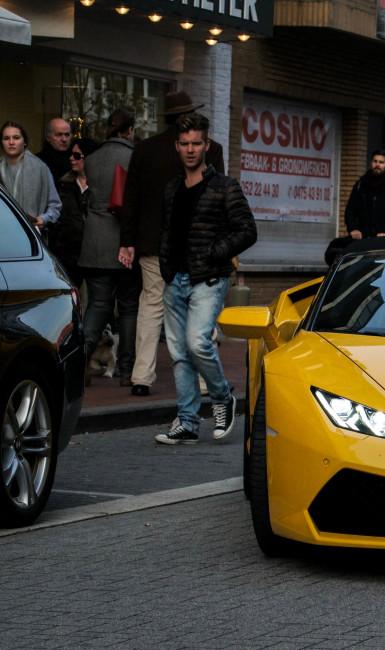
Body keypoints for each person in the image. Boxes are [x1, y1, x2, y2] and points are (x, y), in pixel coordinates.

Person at [153, 113, 258, 446]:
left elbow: (248, 231)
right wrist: (166, 266)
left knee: (197, 342)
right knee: (180, 353)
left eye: (196, 143)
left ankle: (222, 395)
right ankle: (186, 422)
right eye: (184, 144)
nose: (190, 149)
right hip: (175, 280)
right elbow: (168, 231)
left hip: (208, 279)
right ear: (176, 146)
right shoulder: (171, 188)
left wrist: (216, 252)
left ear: (206, 145)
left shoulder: (225, 186)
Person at [118, 90, 225, 397]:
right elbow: (217, 198)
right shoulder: (211, 148)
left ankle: (141, 377)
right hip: (197, 244)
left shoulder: (145, 150)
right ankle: (205, 381)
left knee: (151, 306)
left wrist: (128, 241)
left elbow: (131, 199)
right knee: (200, 308)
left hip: (153, 242)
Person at [79, 109, 140, 387]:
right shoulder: (135, 157)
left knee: (98, 304)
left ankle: (81, 358)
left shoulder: (91, 159)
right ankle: (127, 371)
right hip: (125, 241)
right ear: (130, 130)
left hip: (94, 242)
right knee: (128, 308)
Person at [0, 120, 60, 230]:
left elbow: (55, 205)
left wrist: (43, 219)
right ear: (1, 142)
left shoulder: (40, 168)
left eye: (16, 138)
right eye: (6, 138)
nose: (11, 142)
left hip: (33, 234)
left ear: (24, 141)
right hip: (1, 232)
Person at [52, 136, 97, 289]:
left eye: (77, 156)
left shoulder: (100, 185)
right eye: (71, 154)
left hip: (93, 254)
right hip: (68, 253)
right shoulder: (64, 183)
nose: (72, 158)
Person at [344, 149, 385, 239]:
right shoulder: (361, 185)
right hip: (363, 238)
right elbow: (350, 211)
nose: (377, 165)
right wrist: (353, 229)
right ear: (371, 163)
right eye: (375, 161)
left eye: (381, 162)